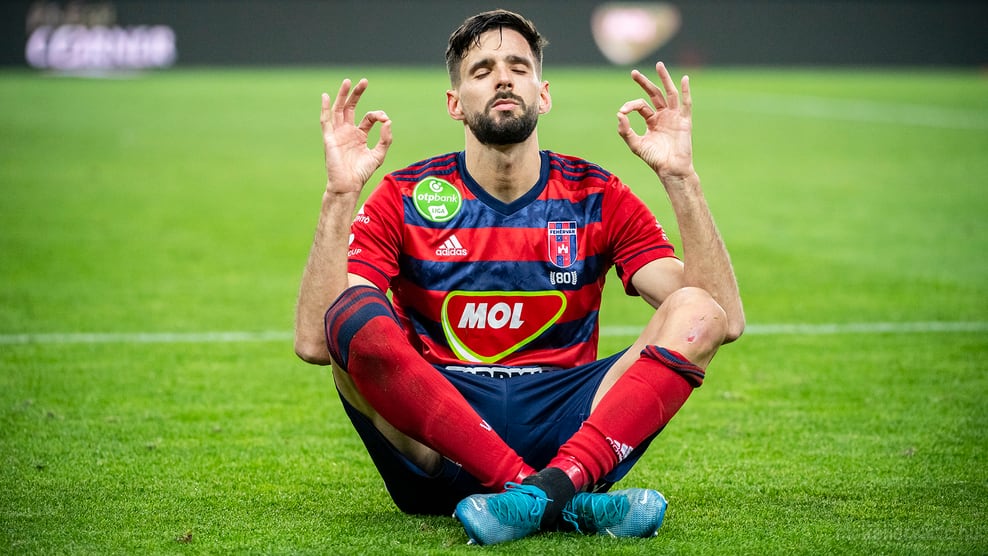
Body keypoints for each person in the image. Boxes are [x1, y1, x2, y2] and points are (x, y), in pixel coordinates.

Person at [294, 9, 744, 546]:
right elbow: (318, 341)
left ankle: (546, 488)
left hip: (570, 427)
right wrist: (340, 197)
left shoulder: (595, 194)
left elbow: (718, 316)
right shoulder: (406, 196)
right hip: (441, 433)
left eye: (518, 66)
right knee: (348, 311)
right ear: (454, 104)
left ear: (543, 93)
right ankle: (556, 497)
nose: (503, 78)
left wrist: (681, 179)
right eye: (482, 70)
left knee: (693, 310)